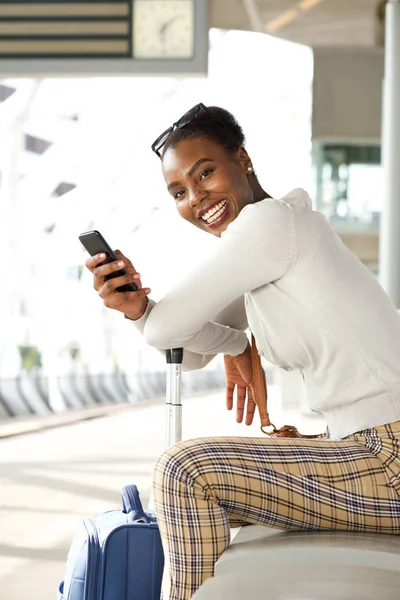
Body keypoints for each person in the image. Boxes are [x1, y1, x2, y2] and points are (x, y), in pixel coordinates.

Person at [86, 103, 400, 600]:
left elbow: (169, 329)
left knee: (183, 470)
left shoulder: (271, 225)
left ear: (243, 159)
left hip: (389, 458)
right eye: (179, 192)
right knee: (184, 495)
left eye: (205, 173)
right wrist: (140, 310)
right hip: (368, 448)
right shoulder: (284, 236)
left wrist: (160, 318)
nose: (197, 199)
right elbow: (183, 351)